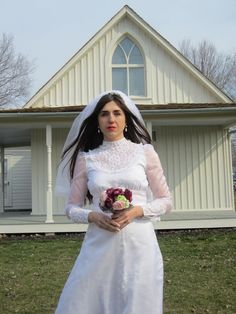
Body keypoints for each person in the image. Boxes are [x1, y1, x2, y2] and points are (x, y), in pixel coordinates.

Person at [55, 90, 172, 314]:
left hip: (140, 244)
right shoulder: (86, 158)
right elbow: (71, 208)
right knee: (85, 299)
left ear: (126, 119)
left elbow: (166, 200)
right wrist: (93, 216)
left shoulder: (145, 152)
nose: (111, 119)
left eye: (117, 113)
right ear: (97, 121)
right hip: (99, 243)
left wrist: (137, 210)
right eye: (104, 114)